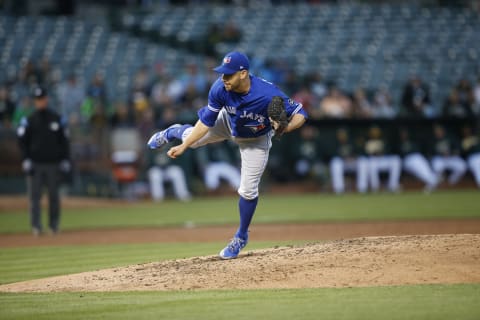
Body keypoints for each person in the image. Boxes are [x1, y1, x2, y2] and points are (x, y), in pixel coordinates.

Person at [147, 51, 307, 259]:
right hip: (227, 121)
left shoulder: (267, 94)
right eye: (222, 73)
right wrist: (184, 145)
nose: (224, 78)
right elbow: (206, 122)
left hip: (255, 140)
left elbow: (301, 115)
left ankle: (241, 236)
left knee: (248, 190)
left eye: (228, 74)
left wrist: (285, 127)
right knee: (192, 140)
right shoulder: (219, 88)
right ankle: (173, 131)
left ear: (243, 74)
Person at [17, 86, 71, 236]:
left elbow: (65, 141)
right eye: (38, 99)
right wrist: (26, 159)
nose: (41, 102)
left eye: (42, 99)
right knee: (35, 197)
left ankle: (53, 225)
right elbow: (22, 142)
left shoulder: (57, 118)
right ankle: (36, 226)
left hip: (53, 164)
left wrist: (65, 159)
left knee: (54, 196)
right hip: (35, 164)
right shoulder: (29, 120)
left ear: (47, 99)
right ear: (35, 101)